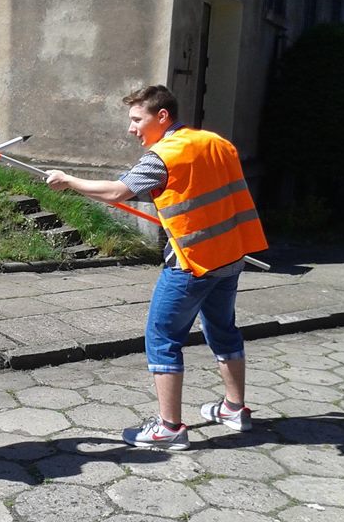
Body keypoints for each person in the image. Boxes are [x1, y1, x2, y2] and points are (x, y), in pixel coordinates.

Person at [45, 85, 267, 450]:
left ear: (162, 116)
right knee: (223, 329)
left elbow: (117, 192)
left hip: (191, 263)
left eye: (137, 119)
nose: (131, 128)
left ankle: (169, 428)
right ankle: (233, 408)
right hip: (230, 257)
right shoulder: (214, 142)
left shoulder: (163, 156)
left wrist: (68, 181)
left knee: (162, 338)